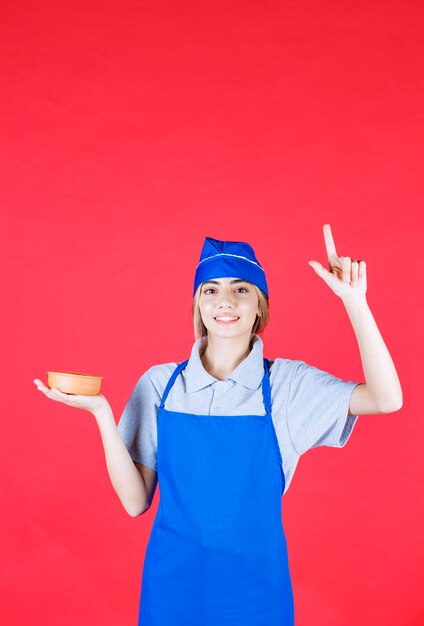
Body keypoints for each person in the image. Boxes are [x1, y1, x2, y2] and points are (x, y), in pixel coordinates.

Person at [33, 224, 403, 625]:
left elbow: (386, 399)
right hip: (171, 592)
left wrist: (355, 301)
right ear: (198, 305)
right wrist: (103, 414)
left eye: (241, 288)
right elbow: (135, 502)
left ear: (259, 305)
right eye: (211, 289)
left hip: (257, 596)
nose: (224, 300)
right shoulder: (160, 384)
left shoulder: (286, 385)